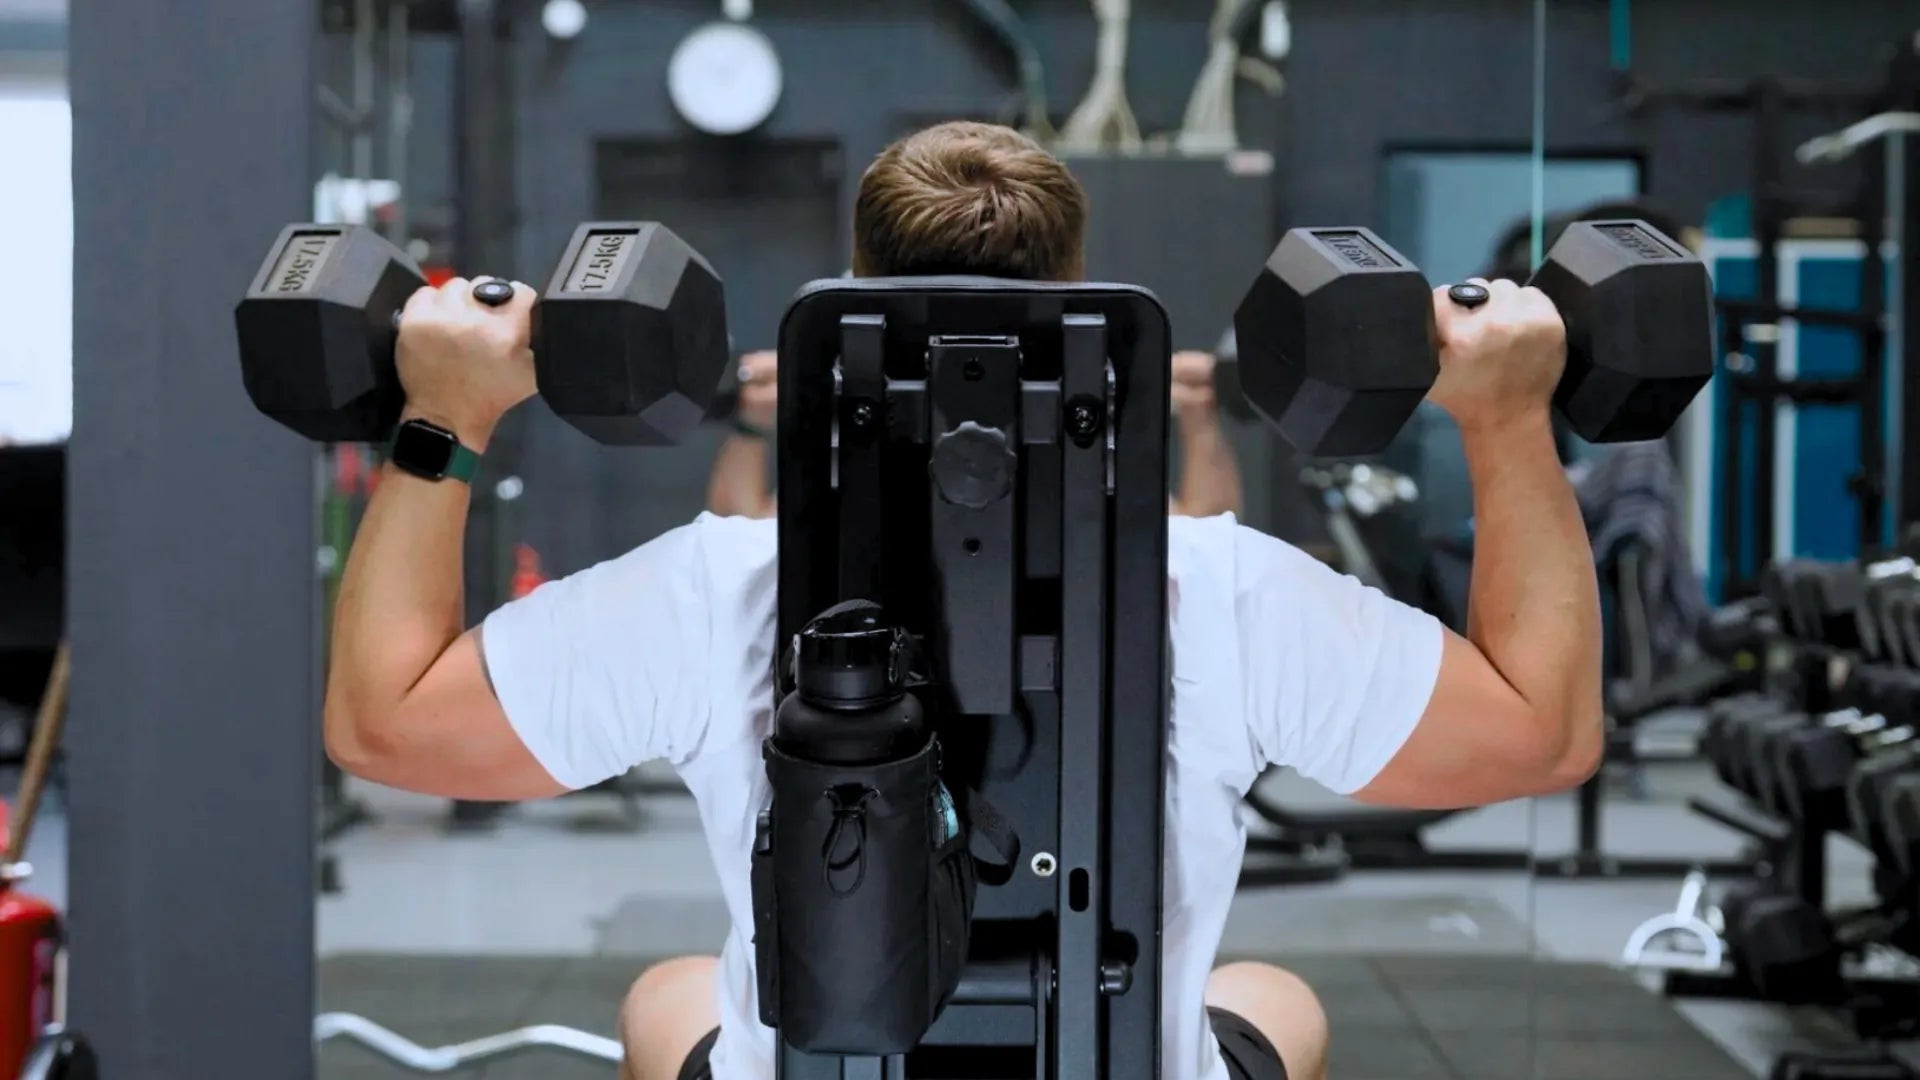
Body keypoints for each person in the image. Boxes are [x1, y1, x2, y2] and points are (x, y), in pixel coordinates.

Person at [324, 121, 1600, 1080]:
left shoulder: (718, 581)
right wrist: (1507, 421)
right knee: (1277, 999)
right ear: (1078, 303)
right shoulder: (1225, 583)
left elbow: (387, 727)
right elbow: (1543, 733)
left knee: (671, 999)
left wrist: (445, 415)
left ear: (857, 300)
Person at [707, 347, 1243, 519]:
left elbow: (1205, 533)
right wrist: (752, 423)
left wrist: (1199, 417)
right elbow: (742, 532)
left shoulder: (1059, 445)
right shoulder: (869, 457)